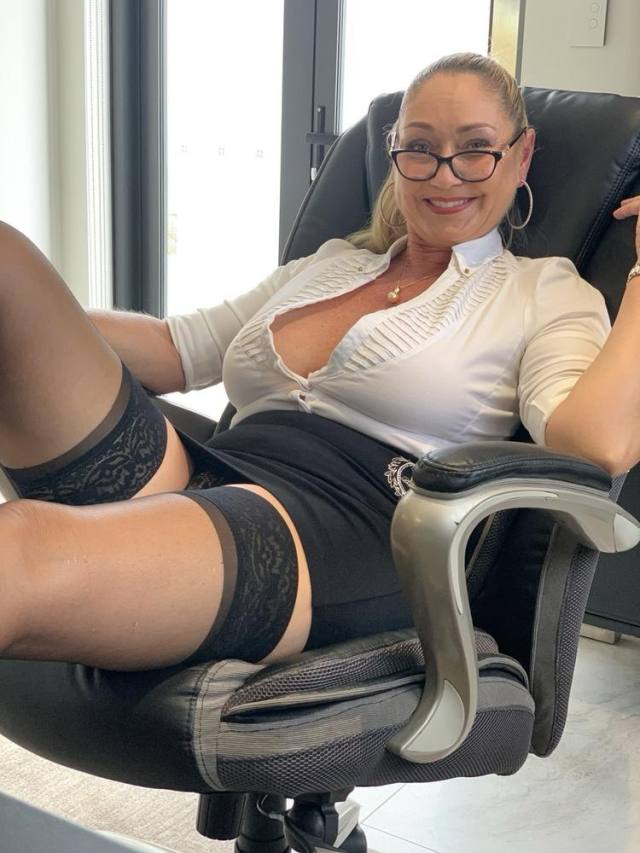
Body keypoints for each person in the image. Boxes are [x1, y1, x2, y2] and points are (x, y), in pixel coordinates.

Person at [0, 52, 638, 673]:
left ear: (521, 156)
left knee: (22, 547)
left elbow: (597, 446)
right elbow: (174, 349)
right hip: (208, 472)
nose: (444, 176)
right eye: (420, 147)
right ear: (395, 154)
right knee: (7, 264)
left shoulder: (541, 290)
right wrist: (44, 322)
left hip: (341, 530)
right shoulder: (334, 264)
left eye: (475, 148)